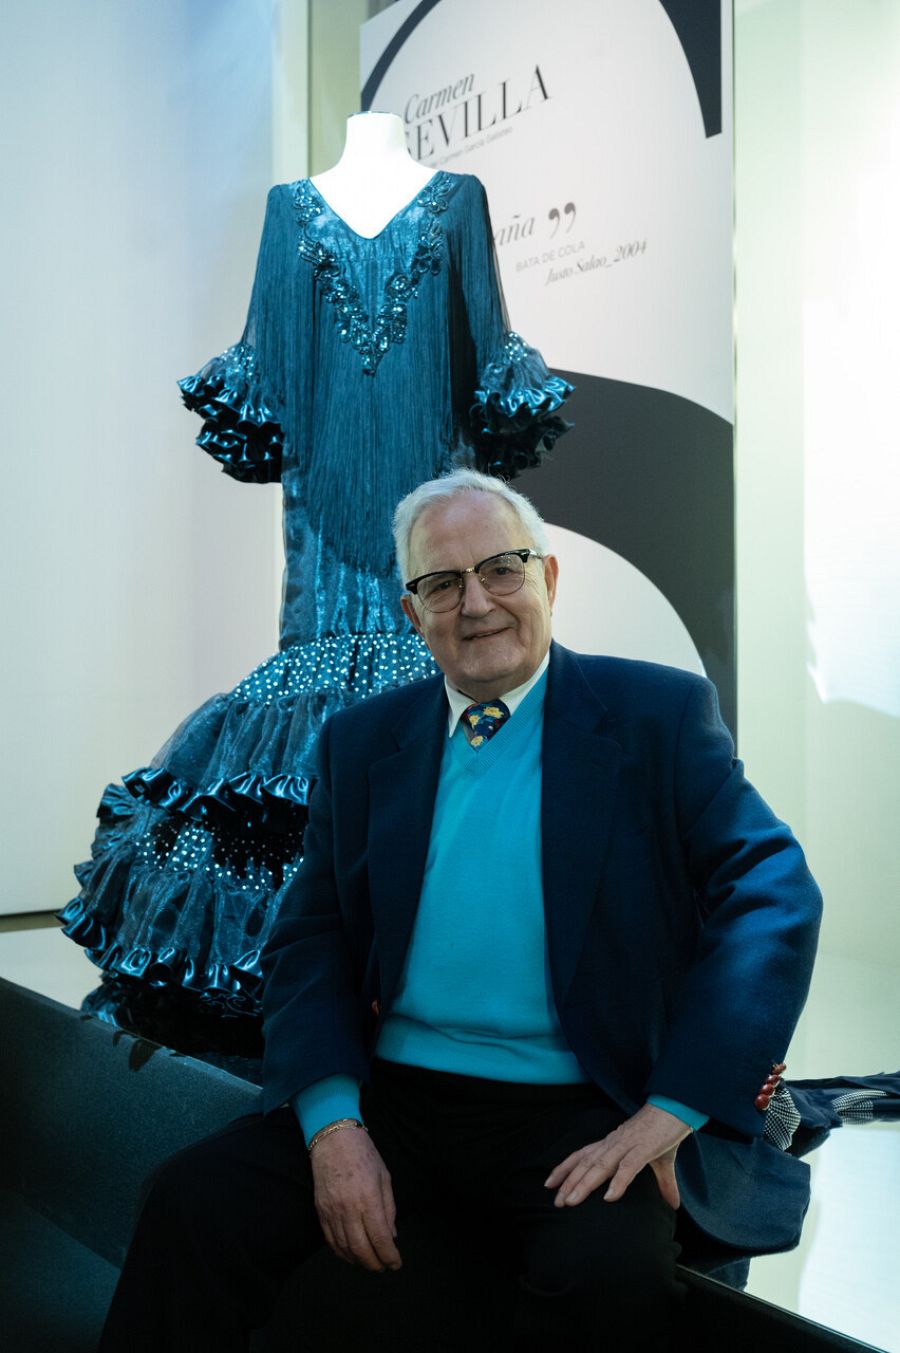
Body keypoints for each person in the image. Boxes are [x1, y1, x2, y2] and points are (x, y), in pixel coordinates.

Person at [98, 469, 822, 1352]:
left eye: (501, 569)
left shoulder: (656, 715)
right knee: (191, 1202)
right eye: (442, 583)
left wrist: (677, 1105)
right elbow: (311, 941)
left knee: (607, 1275)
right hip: (396, 1097)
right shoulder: (362, 740)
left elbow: (773, 889)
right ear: (414, 613)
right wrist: (332, 1126)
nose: (476, 603)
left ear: (548, 578)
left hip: (581, 1106)